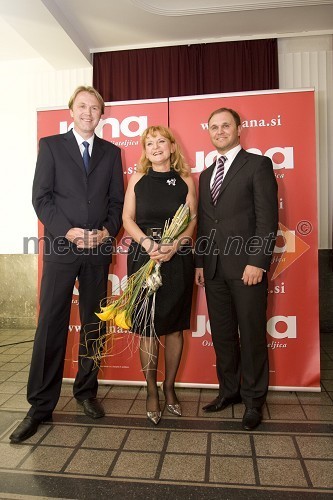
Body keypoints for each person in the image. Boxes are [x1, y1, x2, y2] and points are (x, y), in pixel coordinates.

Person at [10, 86, 124, 443]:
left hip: (97, 250)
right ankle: (40, 406)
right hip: (62, 247)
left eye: (94, 108)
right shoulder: (52, 146)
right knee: (51, 323)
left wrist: (105, 232)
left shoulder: (110, 153)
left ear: (101, 114)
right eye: (82, 106)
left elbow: (117, 202)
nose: (88, 112)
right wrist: (68, 231)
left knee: (94, 324)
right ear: (71, 111)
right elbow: (40, 198)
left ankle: (86, 392)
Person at [195, 107, 278, 431]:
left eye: (225, 125)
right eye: (213, 127)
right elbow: (204, 222)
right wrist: (201, 263)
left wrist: (257, 261)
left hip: (247, 269)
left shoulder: (258, 165)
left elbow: (267, 219)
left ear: (238, 128)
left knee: (253, 336)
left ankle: (254, 400)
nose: (219, 131)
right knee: (224, 337)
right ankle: (228, 392)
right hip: (214, 270)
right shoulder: (204, 175)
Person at [122, 125, 197, 425]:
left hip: (177, 258)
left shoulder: (186, 180)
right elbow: (127, 218)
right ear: (144, 150)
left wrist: (176, 244)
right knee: (148, 328)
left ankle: (169, 387)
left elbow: (192, 220)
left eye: (160, 142)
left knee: (175, 328)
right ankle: (151, 389)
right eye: (149, 143)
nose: (155, 147)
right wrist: (148, 243)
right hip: (144, 256)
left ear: (171, 146)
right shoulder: (137, 179)